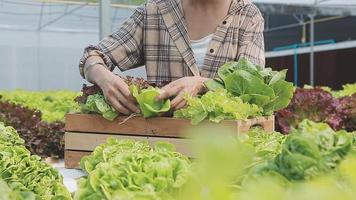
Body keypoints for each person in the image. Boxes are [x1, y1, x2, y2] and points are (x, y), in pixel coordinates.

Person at [79, 0, 265, 115]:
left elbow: (251, 84)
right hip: (162, 146)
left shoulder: (248, 17)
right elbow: (92, 56)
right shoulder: (153, 12)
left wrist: (203, 84)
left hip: (222, 147)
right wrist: (103, 77)